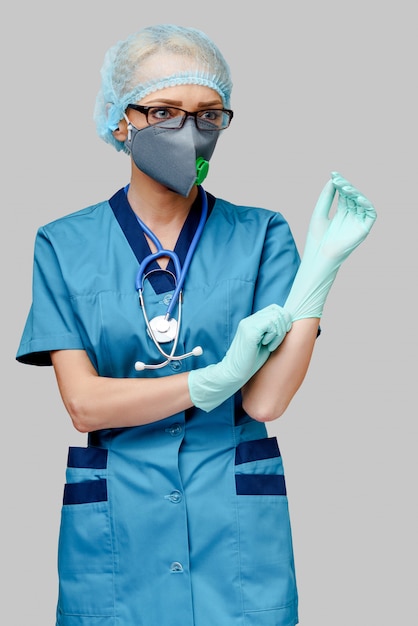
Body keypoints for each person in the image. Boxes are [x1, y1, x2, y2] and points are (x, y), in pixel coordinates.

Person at [16, 24, 376, 626]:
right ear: (120, 119)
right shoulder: (64, 243)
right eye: (164, 111)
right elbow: (83, 404)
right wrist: (213, 381)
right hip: (119, 526)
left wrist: (319, 274)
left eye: (209, 115)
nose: (189, 132)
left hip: (232, 524)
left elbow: (264, 400)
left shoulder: (261, 234)